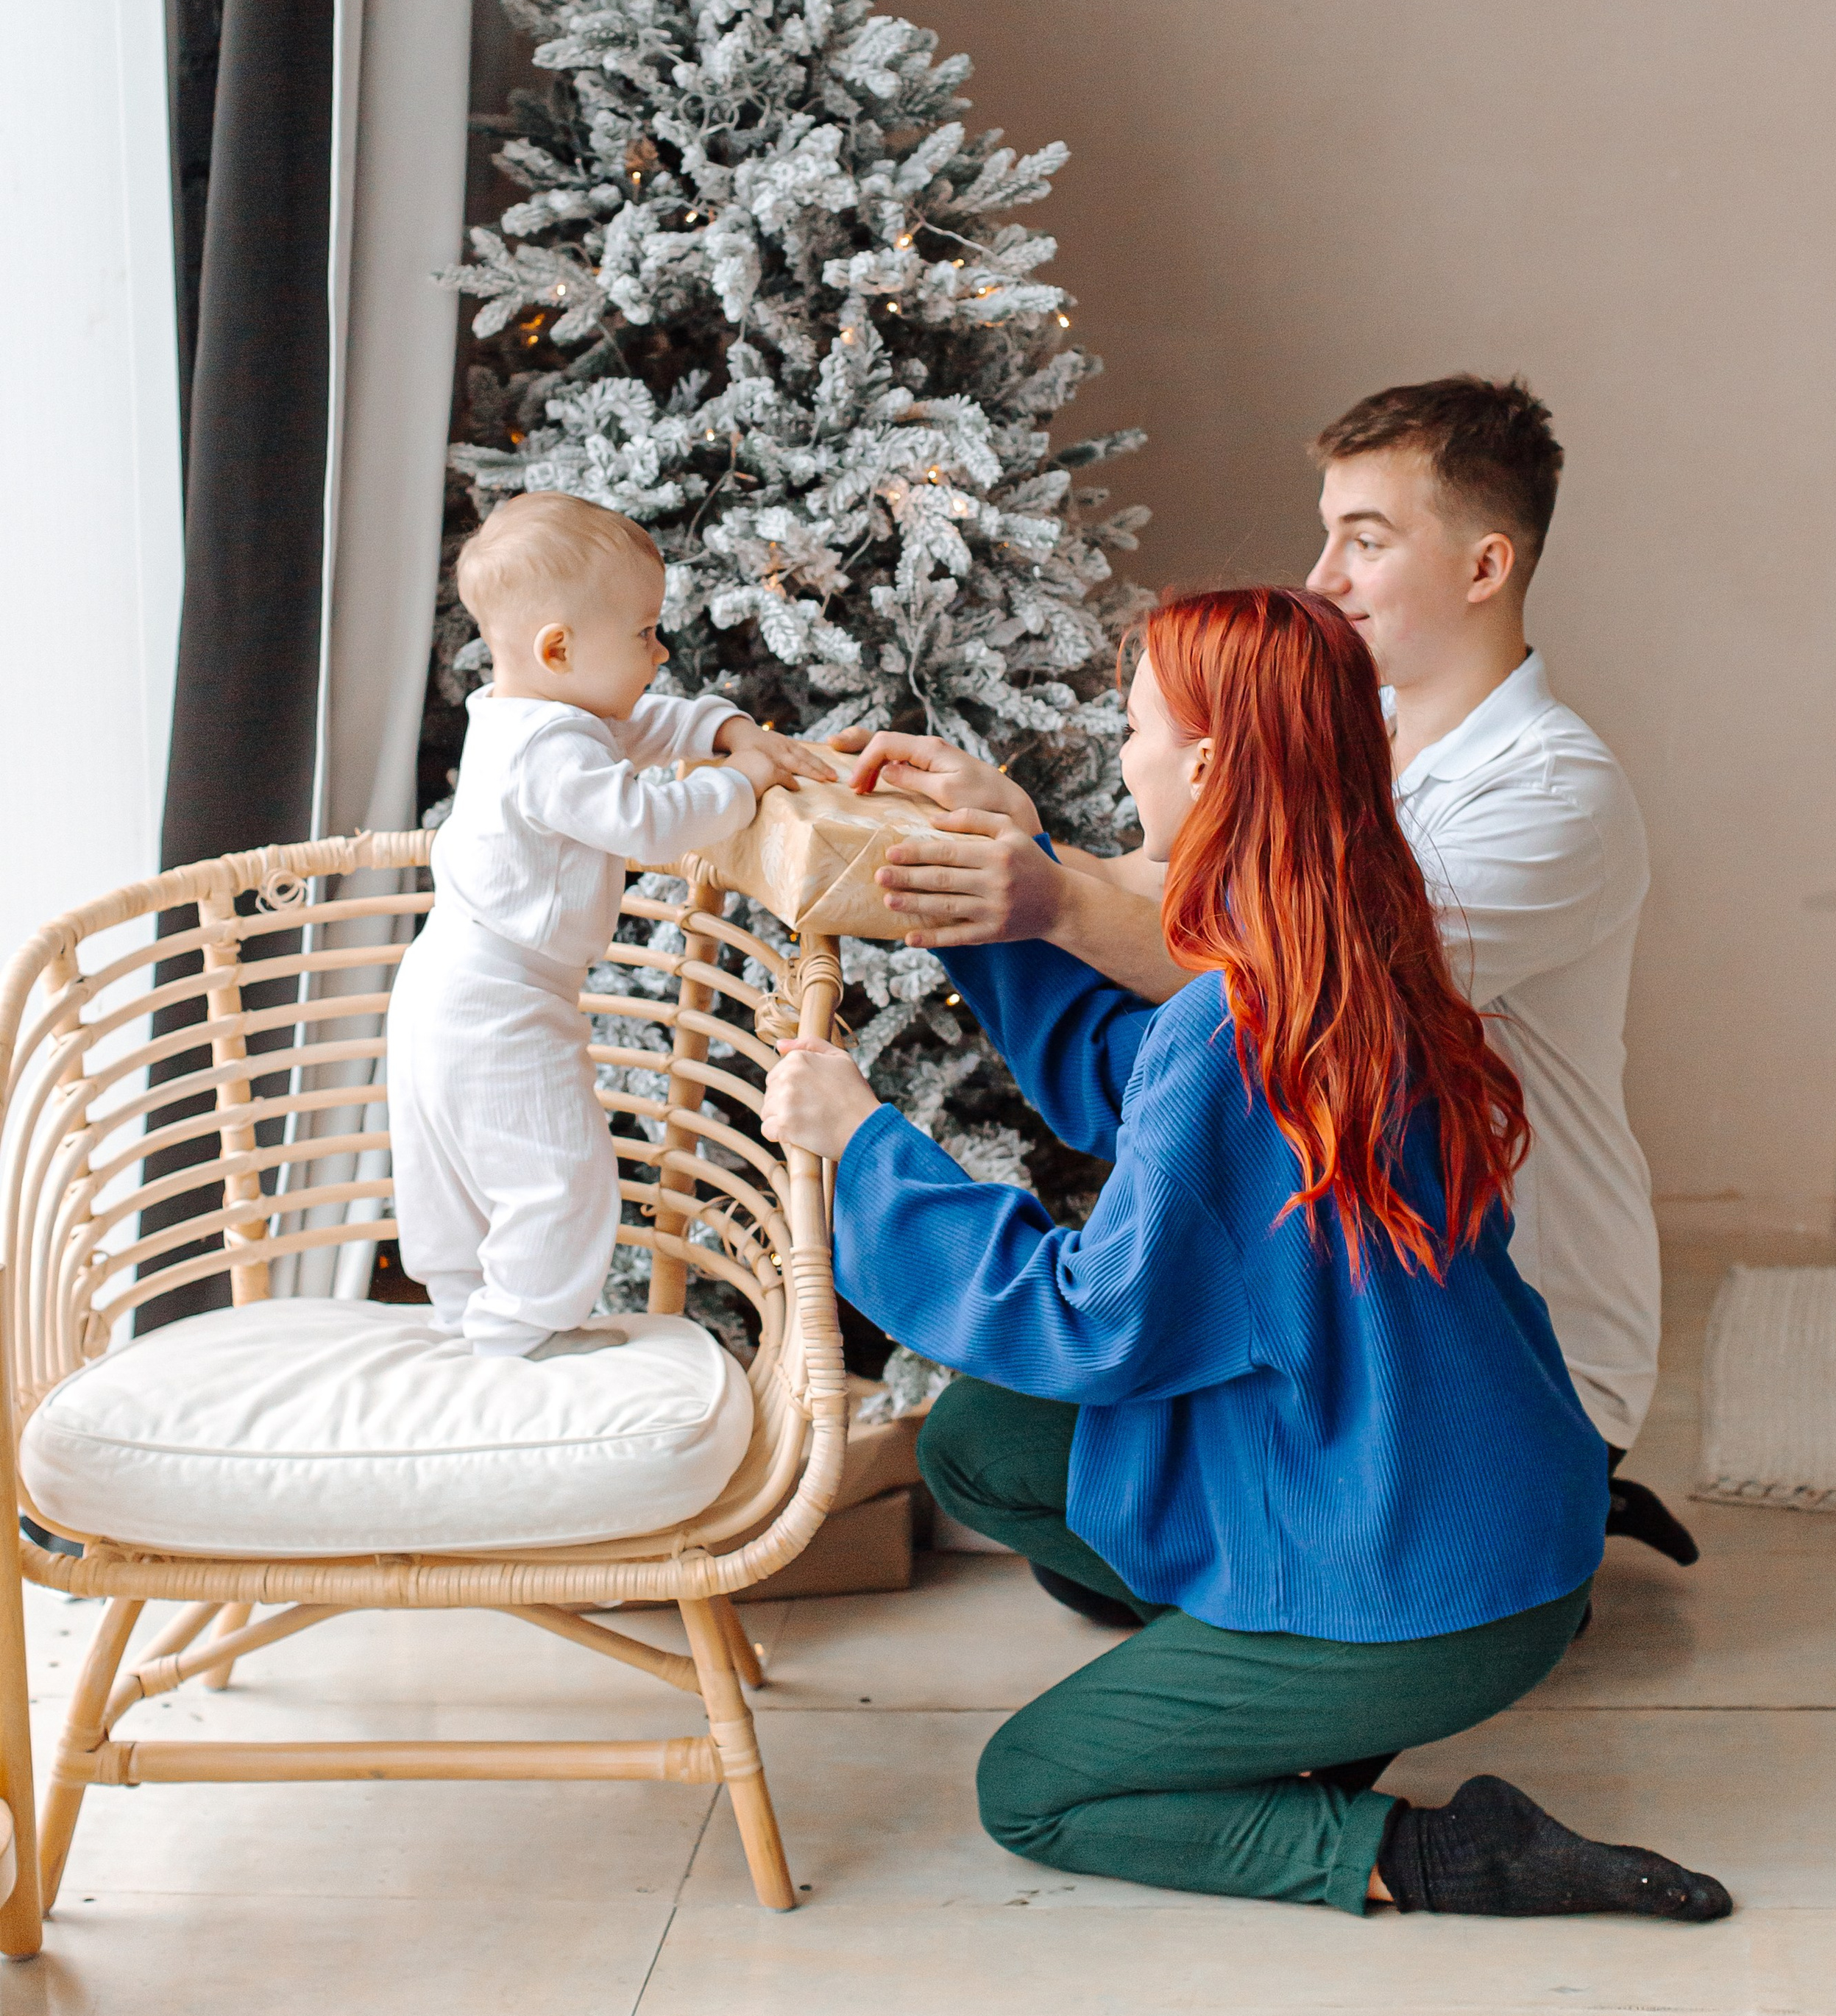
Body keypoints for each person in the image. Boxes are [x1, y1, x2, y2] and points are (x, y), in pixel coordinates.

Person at [763, 587, 1729, 1920]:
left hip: (1432, 1565)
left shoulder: (1244, 1007)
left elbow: (1090, 1325)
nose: (1121, 756)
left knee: (1034, 1787)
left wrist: (863, 1144)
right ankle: (1277, 1682)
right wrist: (1000, 871)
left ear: (1212, 765)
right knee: (983, 1441)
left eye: (1136, 728)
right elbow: (1130, 1081)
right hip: (1466, 1491)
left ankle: (1425, 1847)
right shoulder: (1345, 946)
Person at [843, 375, 1694, 1607]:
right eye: (1327, 531)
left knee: (1107, 1515)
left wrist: (1047, 895)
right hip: (1333, 1307)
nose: (1328, 575)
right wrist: (1016, 834)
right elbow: (1161, 882)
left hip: (1494, 1342)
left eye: (1368, 537)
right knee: (1018, 1465)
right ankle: (1348, 1574)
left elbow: (1300, 987)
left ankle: (1482, 1553)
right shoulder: (1344, 733)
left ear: (1484, 566)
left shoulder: (1553, 796)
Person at [387, 491, 831, 1358]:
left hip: (447, 987)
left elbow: (645, 722)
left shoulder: (529, 714)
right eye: (644, 634)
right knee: (562, 1175)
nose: (660, 652)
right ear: (559, 647)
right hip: (498, 1001)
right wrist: (742, 781)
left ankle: (465, 1313)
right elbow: (648, 822)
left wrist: (728, 727)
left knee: (451, 1177)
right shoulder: (552, 749)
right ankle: (520, 1335)